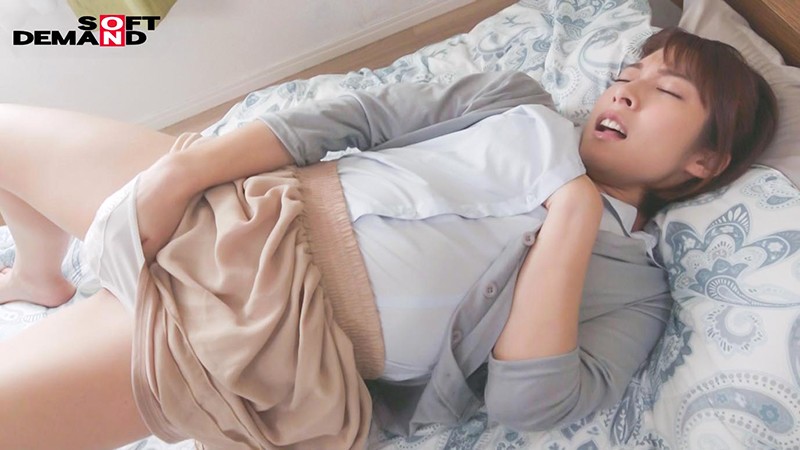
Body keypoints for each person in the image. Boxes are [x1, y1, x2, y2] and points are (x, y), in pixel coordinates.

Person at [0, 27, 777, 450]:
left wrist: (572, 211)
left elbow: (533, 401)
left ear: (705, 161)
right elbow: (358, 116)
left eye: (665, 91)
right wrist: (181, 172)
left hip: (261, 334)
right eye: (627, 76)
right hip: (243, 207)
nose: (626, 92)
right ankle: (41, 274)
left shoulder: (635, 288)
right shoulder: (519, 104)